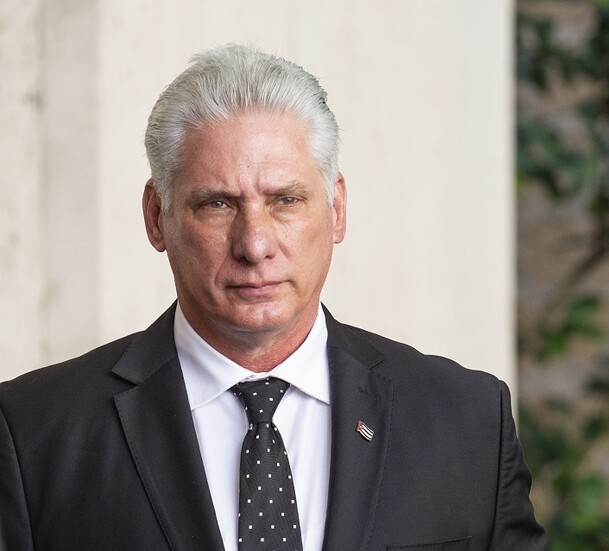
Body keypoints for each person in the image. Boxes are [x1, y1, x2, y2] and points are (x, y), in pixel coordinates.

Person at [0, 44, 546, 551]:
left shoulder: (469, 422)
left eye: (285, 200)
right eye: (217, 204)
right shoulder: (32, 435)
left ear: (336, 210)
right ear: (156, 217)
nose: (255, 244)